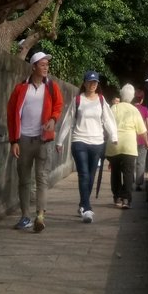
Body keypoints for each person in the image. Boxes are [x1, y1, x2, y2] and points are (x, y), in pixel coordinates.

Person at [6, 50, 64, 233]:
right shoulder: (21, 88)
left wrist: (53, 120)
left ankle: (40, 215)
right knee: (24, 180)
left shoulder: (52, 87)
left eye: (47, 65)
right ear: (33, 67)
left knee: (42, 178)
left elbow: (58, 105)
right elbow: (11, 114)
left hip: (43, 140)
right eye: (42, 64)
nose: (46, 67)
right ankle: (25, 216)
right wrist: (13, 140)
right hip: (23, 139)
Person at [56, 70, 117, 224]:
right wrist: (60, 140)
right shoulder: (78, 100)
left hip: (97, 143)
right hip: (80, 141)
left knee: (91, 176)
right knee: (83, 174)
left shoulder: (102, 101)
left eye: (95, 82)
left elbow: (108, 120)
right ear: (84, 83)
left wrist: (114, 136)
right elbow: (68, 121)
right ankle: (87, 208)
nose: (92, 85)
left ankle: (83, 204)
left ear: (98, 84)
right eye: (90, 82)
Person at [106, 84, 146, 209]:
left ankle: (117, 197)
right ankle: (126, 200)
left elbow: (106, 124)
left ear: (121, 95)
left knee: (116, 172)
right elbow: (142, 130)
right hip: (129, 145)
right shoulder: (134, 110)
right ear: (132, 96)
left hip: (114, 144)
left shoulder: (114, 108)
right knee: (128, 173)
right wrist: (147, 142)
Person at [133, 87, 148, 191]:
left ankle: (130, 181)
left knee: (131, 161)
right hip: (142, 139)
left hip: (131, 139)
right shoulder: (144, 110)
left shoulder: (130, 109)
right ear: (142, 99)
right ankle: (139, 184)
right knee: (140, 162)